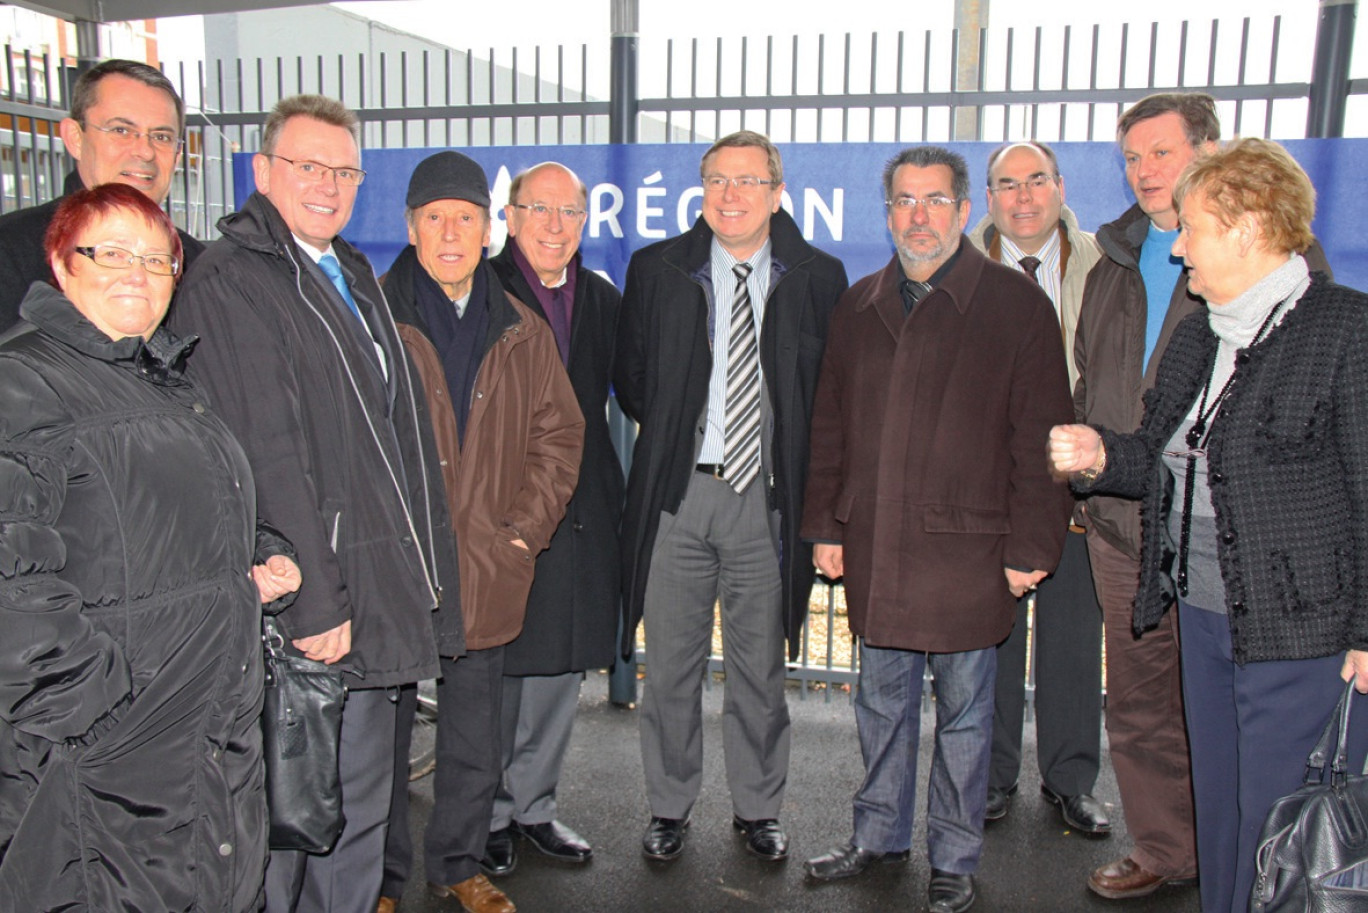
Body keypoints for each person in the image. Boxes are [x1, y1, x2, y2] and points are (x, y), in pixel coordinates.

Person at [1050, 136, 1368, 913]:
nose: (1180, 246)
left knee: (1281, 820)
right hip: (1199, 612)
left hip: (1304, 632)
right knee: (1221, 804)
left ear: (1250, 225)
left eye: (1191, 227)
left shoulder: (1344, 329)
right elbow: (1151, 455)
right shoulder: (1202, 331)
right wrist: (1098, 454)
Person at [168, 95, 461, 913]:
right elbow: (265, 450)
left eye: (343, 169)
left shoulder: (346, 269)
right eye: (307, 166)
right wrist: (313, 602)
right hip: (318, 612)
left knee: (356, 817)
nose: (328, 184)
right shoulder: (234, 280)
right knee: (296, 831)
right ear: (263, 172)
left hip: (370, 595)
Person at [0, 182, 301, 911]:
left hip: (199, 734)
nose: (137, 272)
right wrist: (95, 710)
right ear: (62, 265)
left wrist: (257, 553)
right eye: (111, 252)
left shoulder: (161, 378)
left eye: (157, 259)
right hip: (105, 764)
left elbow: (175, 511)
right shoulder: (24, 380)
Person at [801, 146, 1073, 913]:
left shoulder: (1018, 307)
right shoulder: (858, 304)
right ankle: (878, 836)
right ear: (886, 212)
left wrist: (1031, 547)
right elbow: (831, 427)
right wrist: (827, 523)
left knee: (965, 716)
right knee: (880, 703)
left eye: (934, 200)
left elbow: (1041, 438)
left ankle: (954, 856)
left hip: (973, 551)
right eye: (903, 201)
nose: (917, 216)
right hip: (879, 544)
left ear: (963, 210)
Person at [615, 130, 847, 862]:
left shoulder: (818, 275)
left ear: (778, 192)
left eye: (748, 181)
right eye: (717, 180)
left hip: (768, 501)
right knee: (671, 667)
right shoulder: (658, 269)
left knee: (759, 670)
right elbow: (631, 375)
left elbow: (830, 394)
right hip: (682, 497)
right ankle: (670, 807)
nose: (730, 195)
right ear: (702, 190)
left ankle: (757, 809)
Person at [378, 151, 583, 913]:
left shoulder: (522, 330)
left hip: (487, 564)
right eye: (435, 218)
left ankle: (457, 863)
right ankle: (382, 878)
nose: (451, 232)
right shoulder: (372, 317)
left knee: (473, 736)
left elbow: (561, 437)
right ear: (410, 227)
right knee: (383, 742)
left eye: (466, 216)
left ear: (490, 228)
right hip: (396, 569)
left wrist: (522, 534)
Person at [482, 161, 623, 874]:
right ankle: (491, 813)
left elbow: (635, 390)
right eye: (539, 209)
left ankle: (534, 806)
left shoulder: (600, 298)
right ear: (509, 216)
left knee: (560, 666)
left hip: (582, 508)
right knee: (503, 665)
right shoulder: (480, 291)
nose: (554, 225)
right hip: (504, 508)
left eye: (569, 212)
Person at [966, 141, 1108, 834]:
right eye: (1007, 184)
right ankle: (990, 778)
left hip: (1078, 485)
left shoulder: (1105, 267)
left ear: (1060, 187)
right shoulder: (952, 269)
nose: (1023, 197)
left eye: (1036, 181)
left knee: (1076, 637)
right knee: (993, 635)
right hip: (989, 489)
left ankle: (1071, 779)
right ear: (988, 197)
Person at [0, 58, 204, 329]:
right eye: (121, 130)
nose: (145, 151)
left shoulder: (198, 264)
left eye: (161, 137)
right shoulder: (10, 251)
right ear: (75, 138)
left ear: (178, 154)